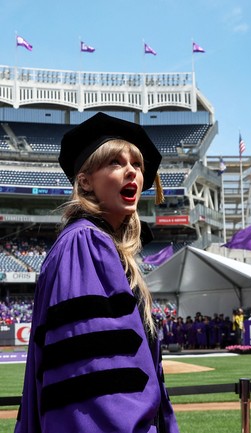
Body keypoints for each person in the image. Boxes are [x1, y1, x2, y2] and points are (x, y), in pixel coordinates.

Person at [15, 113, 179, 433]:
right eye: (115, 163)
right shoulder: (84, 244)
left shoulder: (100, 246)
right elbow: (95, 378)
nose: (131, 170)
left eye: (137, 164)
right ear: (86, 181)